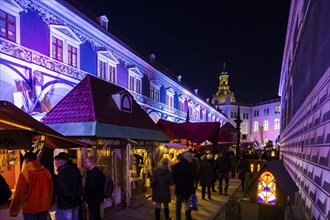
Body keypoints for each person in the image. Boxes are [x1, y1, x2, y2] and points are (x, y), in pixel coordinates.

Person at [9, 152, 53, 219]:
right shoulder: (46, 172)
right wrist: (49, 203)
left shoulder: (25, 173)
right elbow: (51, 190)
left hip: (30, 208)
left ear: (26, 160)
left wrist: (14, 211)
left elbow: (20, 193)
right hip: (44, 207)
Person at [54, 152, 83, 220]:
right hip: (76, 201)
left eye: (56, 162)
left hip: (66, 203)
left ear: (60, 163)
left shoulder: (61, 175)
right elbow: (79, 185)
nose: (55, 165)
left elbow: (64, 190)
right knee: (75, 217)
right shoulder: (75, 170)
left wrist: (70, 198)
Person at [172, 151, 195, 220]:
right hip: (188, 189)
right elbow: (191, 179)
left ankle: (178, 218)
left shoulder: (176, 165)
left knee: (178, 206)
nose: (191, 159)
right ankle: (188, 218)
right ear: (187, 157)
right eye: (191, 157)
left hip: (179, 188)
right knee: (187, 206)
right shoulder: (190, 166)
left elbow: (173, 177)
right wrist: (192, 190)